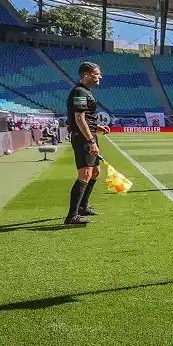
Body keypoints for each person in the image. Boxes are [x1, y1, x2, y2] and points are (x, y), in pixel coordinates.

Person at [66, 62, 109, 226]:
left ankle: (83, 207)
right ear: (87, 74)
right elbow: (79, 118)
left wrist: (96, 127)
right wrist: (91, 140)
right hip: (83, 138)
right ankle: (72, 215)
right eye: (97, 73)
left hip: (88, 135)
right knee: (84, 174)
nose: (100, 76)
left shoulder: (85, 92)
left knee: (95, 172)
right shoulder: (79, 92)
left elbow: (85, 118)